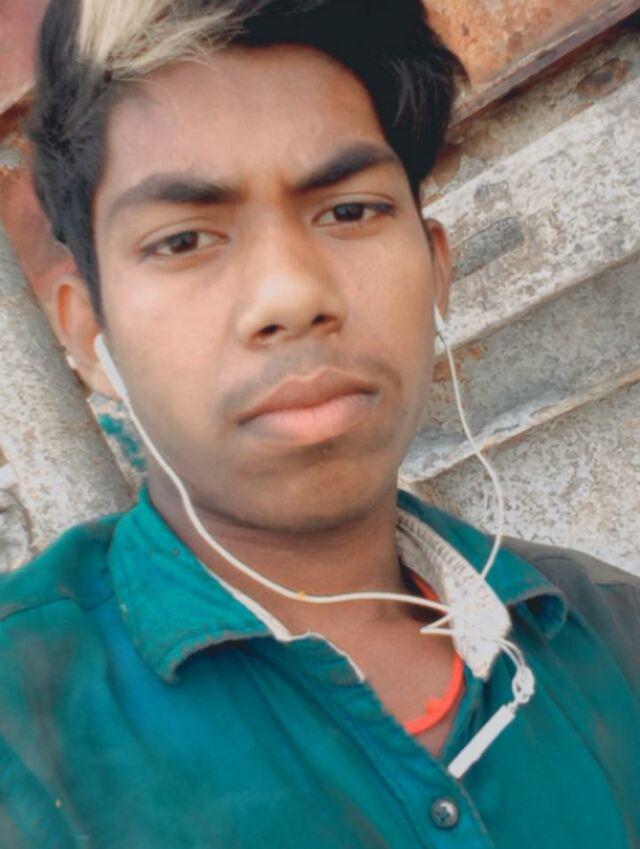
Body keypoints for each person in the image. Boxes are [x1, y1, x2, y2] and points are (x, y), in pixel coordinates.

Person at [0, 0, 638, 846]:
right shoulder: (20, 734)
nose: (291, 295)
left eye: (349, 211)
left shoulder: (612, 635)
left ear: (436, 269)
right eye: (185, 239)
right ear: (89, 334)